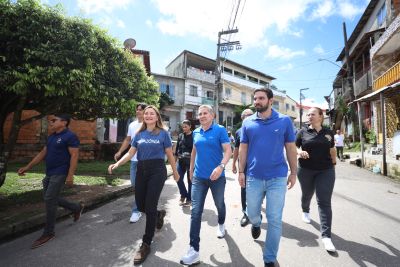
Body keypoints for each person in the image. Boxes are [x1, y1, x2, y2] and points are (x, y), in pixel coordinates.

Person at [108, 105, 179, 265]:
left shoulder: (163, 133)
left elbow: (169, 153)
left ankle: (146, 243)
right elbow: (131, 153)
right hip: (141, 169)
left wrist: (175, 171)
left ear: (157, 117)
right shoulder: (139, 134)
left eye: (151, 113)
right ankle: (159, 214)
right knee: (141, 206)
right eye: (146, 113)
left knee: (150, 204)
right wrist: (117, 164)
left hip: (157, 170)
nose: (148, 115)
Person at [238, 88, 297, 267]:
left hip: (277, 178)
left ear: (271, 101)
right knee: (253, 213)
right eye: (255, 98)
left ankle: (269, 258)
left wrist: (293, 172)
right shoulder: (247, 122)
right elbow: (243, 148)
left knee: (275, 218)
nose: (257, 101)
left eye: (261, 98)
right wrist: (241, 171)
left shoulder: (284, 121)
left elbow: (291, 148)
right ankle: (256, 223)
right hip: (253, 176)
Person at [18, 114, 84, 249]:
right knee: (50, 198)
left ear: (64, 122)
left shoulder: (70, 136)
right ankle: (76, 208)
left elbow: (74, 155)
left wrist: (70, 175)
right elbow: (42, 154)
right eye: (51, 121)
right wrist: (27, 167)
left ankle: (49, 232)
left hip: (60, 172)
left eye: (54, 120)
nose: (51, 122)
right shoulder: (51, 137)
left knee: (49, 198)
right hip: (49, 172)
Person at [180, 105, 232, 266]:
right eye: (199, 114)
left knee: (219, 205)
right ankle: (193, 250)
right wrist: (190, 168)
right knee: (195, 212)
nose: (201, 116)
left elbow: (228, 150)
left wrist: (221, 166)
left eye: (204, 113)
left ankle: (221, 223)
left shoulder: (220, 130)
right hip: (199, 178)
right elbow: (195, 150)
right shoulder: (196, 132)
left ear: (212, 115)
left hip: (217, 177)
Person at [296, 107, 337, 252]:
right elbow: (293, 147)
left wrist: (334, 164)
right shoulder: (302, 131)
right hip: (305, 170)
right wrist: (300, 152)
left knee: (324, 202)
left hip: (326, 170)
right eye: (308, 114)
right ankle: (305, 210)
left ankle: (326, 237)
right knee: (307, 194)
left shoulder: (328, 133)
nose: (309, 116)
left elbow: (332, 149)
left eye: (312, 114)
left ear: (321, 116)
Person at [114, 103, 147, 223]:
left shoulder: (149, 124)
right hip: (134, 160)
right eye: (137, 109)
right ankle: (142, 204)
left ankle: (136, 210)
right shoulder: (132, 125)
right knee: (135, 185)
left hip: (147, 162)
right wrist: (120, 151)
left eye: (140, 110)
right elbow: (128, 139)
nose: (138, 111)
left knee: (139, 187)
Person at [232, 108, 254, 227]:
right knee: (244, 187)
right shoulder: (239, 131)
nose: (249, 116)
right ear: (242, 118)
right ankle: (245, 213)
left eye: (251, 114)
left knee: (260, 188)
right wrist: (234, 163)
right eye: (246, 115)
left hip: (258, 164)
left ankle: (255, 207)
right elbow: (236, 149)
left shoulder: (259, 128)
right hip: (244, 164)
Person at [174, 120, 193, 206]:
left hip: (190, 161)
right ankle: (183, 194)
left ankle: (189, 199)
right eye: (183, 126)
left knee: (190, 181)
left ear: (190, 126)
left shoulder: (194, 136)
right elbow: (177, 148)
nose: (184, 128)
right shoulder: (181, 135)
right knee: (178, 178)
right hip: (181, 161)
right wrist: (174, 161)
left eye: (185, 126)